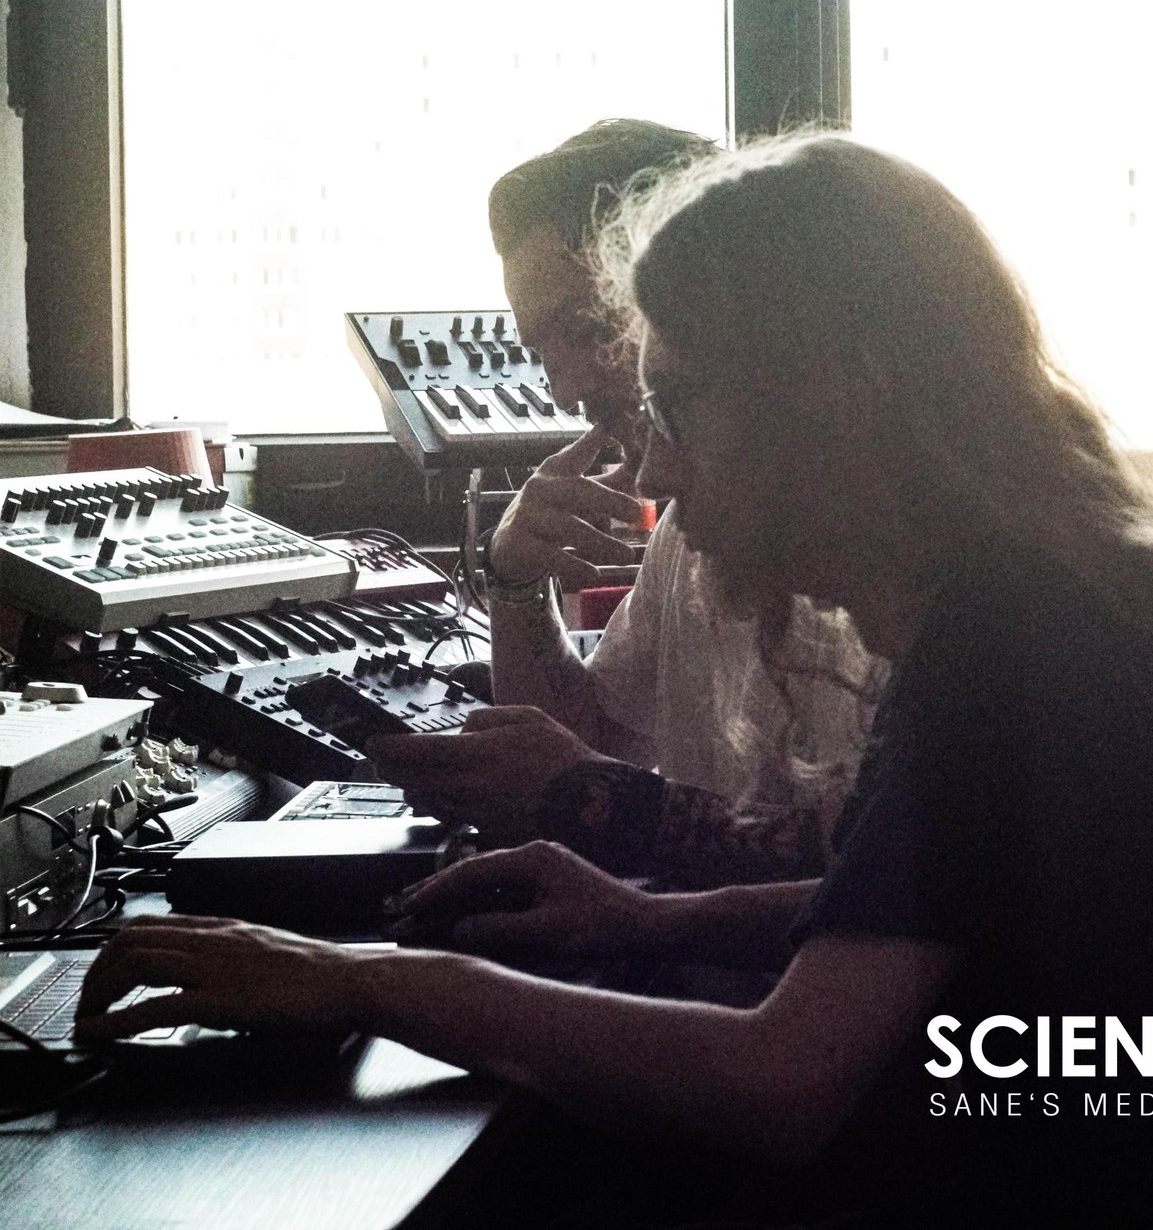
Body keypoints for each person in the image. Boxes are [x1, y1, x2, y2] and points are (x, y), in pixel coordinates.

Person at [79, 133, 1153, 1226]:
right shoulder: (1041, 602)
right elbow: (944, 918)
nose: (654, 469)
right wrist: (651, 920)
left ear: (839, 398)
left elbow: (782, 1085)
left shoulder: (1017, 649)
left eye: (677, 403)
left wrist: (361, 980)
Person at [367, 120, 884, 884]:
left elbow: (878, 881)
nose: (563, 388)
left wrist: (637, 911)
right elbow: (590, 750)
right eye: (540, 351)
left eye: (584, 329)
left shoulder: (895, 549)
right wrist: (515, 581)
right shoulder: (687, 524)